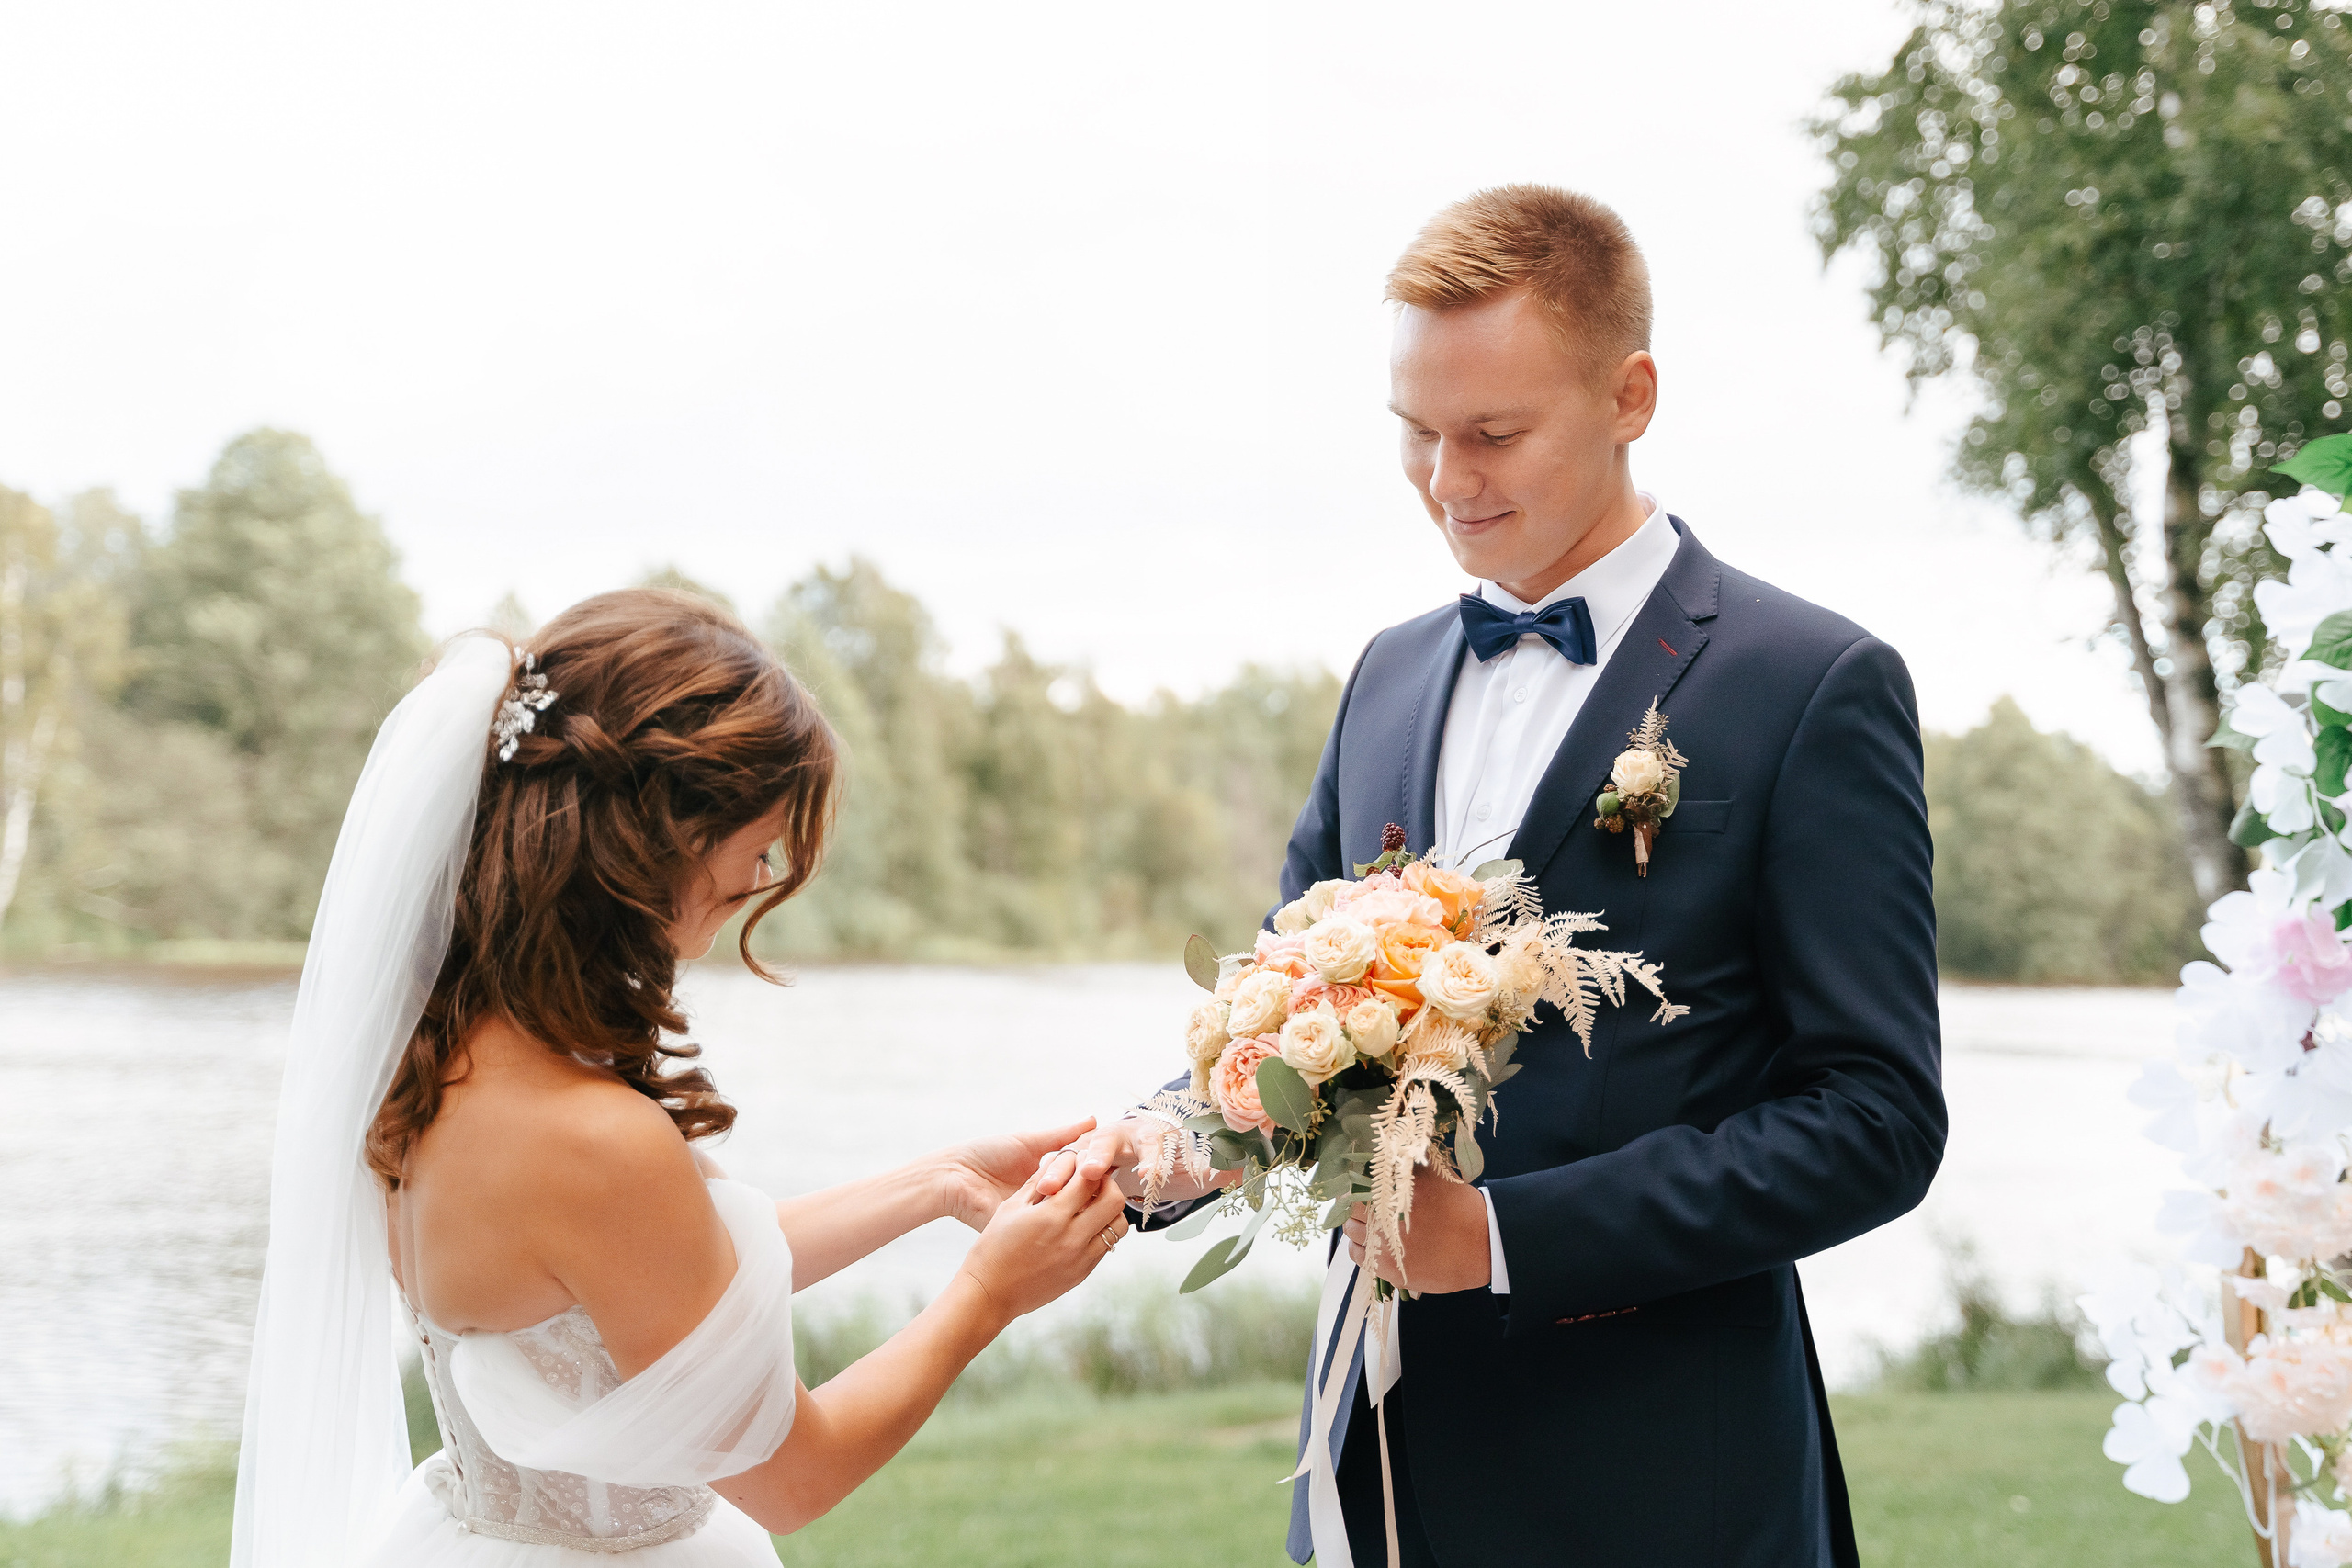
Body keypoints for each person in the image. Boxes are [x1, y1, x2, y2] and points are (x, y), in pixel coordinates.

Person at [1037, 186, 1945, 1567]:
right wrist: (1151, 1153)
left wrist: (1508, 1235)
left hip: (1661, 1481)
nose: (1448, 481)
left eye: (1494, 433)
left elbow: (1877, 1116)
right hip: (1380, 1455)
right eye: (1416, 432)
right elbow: (1285, 1005)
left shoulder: (1811, 683)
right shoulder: (1389, 676)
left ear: (1631, 393)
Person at [230, 588, 1131, 1567]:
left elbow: (653, 1283)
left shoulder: (438, 1053)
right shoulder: (591, 1138)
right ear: (658, 839)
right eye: (758, 843)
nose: (765, 874)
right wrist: (989, 1293)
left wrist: (936, 1184)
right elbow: (794, 1478)